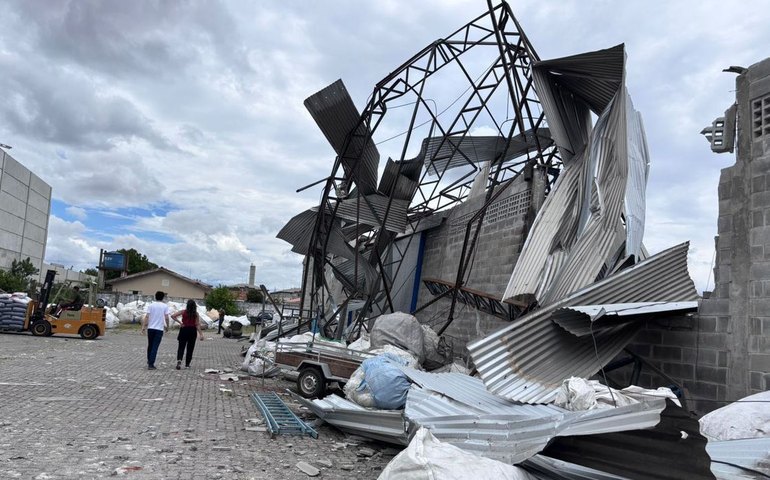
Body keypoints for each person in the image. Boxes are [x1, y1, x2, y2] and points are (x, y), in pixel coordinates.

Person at [171, 299, 204, 369]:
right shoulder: (196, 314)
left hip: (184, 329)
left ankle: (179, 360)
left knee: (181, 347)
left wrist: (180, 323)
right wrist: (201, 334)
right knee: (190, 348)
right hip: (192, 331)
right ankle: (187, 364)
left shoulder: (183, 312)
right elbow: (197, 324)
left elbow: (173, 316)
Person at [141, 291, 170, 370]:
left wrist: (143, 327)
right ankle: (151, 364)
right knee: (155, 346)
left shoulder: (151, 305)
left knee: (150, 345)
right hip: (159, 329)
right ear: (163, 297)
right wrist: (167, 326)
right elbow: (167, 317)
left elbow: (147, 317)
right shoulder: (165, 306)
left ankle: (149, 360)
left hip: (150, 328)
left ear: (155, 296)